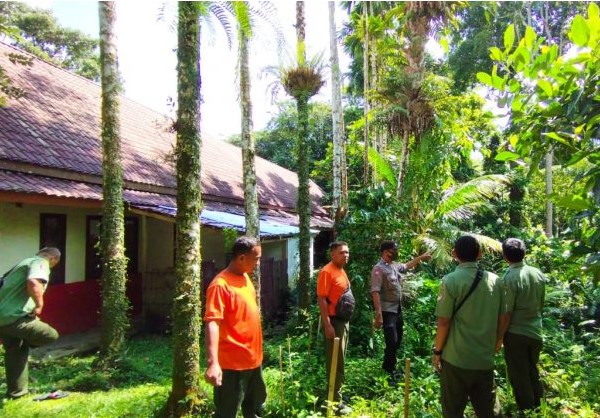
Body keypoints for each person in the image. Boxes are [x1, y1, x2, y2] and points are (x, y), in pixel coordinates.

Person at [433, 236, 508, 418]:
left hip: (456, 358)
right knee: (488, 410)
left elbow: (444, 321)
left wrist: (437, 351)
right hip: (483, 357)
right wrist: (498, 341)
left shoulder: (450, 281)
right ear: (480, 254)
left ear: (454, 254)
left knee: (452, 410)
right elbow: (504, 317)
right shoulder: (495, 281)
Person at [204, 236, 266, 418]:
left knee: (254, 410)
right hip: (232, 365)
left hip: (254, 361)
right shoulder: (220, 285)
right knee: (227, 413)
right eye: (256, 258)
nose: (258, 262)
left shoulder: (245, 278)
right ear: (241, 258)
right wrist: (213, 363)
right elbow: (212, 322)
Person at [0, 247, 61, 399]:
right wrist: (39, 305)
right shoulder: (40, 263)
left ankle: (17, 393)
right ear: (53, 259)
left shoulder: (23, 263)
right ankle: (28, 343)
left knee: (16, 352)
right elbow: (34, 282)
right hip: (15, 317)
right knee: (50, 335)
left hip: (3, 319)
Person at [370, 240, 430, 384]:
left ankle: (389, 365)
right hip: (386, 310)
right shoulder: (378, 269)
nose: (396, 253)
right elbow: (375, 292)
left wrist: (421, 258)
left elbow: (407, 266)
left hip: (397, 309)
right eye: (393, 250)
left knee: (397, 340)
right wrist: (378, 314)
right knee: (392, 341)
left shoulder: (393, 266)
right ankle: (388, 370)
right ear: (385, 252)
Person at [497, 238, 545, 414]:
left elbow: (506, 313)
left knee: (519, 375)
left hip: (516, 333)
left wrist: (499, 337)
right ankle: (539, 408)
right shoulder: (537, 273)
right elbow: (541, 303)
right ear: (524, 253)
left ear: (505, 256)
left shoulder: (509, 278)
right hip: (535, 331)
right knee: (532, 370)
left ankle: (525, 410)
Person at [317, 241, 352, 415]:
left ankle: (337, 396)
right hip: (334, 322)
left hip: (342, 322)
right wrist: (328, 325)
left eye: (346, 252)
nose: (345, 255)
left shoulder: (341, 270)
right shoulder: (327, 271)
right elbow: (322, 299)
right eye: (341, 252)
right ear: (332, 254)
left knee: (341, 360)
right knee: (334, 361)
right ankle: (332, 402)